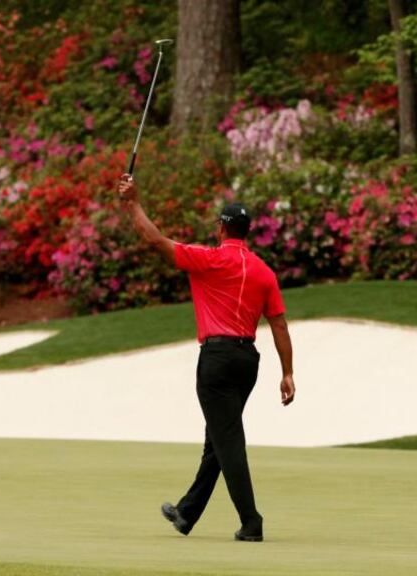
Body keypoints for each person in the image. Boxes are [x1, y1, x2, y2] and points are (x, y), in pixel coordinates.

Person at [117, 174, 295, 543]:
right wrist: (288, 373)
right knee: (218, 438)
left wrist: (132, 203)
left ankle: (252, 522)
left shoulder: (208, 259)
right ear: (246, 232)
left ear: (220, 228)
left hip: (216, 358)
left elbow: (154, 239)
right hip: (248, 362)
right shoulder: (263, 271)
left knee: (227, 440)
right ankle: (186, 513)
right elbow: (279, 325)